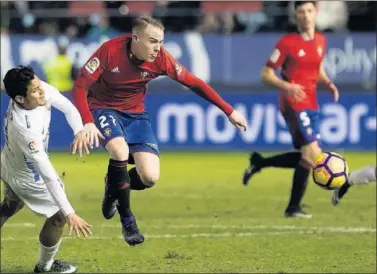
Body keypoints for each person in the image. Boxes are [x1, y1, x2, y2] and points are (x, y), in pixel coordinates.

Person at [71, 16, 247, 246]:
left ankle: (113, 183)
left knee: (150, 177)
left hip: (136, 114)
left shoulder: (161, 59)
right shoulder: (109, 51)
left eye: (161, 42)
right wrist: (87, 122)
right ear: (135, 38)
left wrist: (229, 111)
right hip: (103, 108)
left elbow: (194, 82)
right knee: (119, 150)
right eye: (153, 41)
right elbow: (80, 86)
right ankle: (128, 221)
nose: (158, 48)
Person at [242, 1, 339, 219]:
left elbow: (317, 68)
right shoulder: (287, 43)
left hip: (311, 103)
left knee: (311, 157)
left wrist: (328, 83)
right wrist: (288, 86)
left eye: (309, 11)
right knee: (312, 153)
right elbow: (265, 74)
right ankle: (292, 208)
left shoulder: (321, 40)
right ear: (296, 16)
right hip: (293, 103)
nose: (305, 16)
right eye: (301, 12)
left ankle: (260, 163)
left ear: (316, 12)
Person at [0, 66, 92, 273]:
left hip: (8, 163)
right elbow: (47, 174)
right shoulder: (25, 129)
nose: (42, 91)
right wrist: (70, 213)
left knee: (9, 206)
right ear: (20, 99)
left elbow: (68, 108)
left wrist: (79, 131)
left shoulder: (35, 90)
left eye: (39, 84)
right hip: (27, 177)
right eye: (34, 90)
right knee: (58, 216)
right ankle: (45, 267)